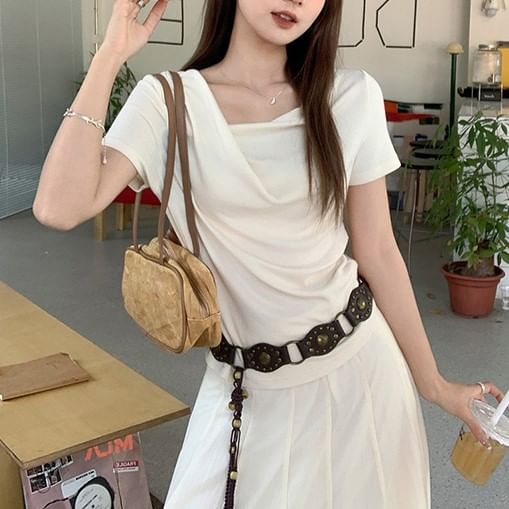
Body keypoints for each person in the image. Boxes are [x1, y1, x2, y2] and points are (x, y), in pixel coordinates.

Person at [33, 1, 505, 508]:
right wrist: (110, 54)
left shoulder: (349, 96)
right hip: (242, 389)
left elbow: (378, 250)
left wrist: (435, 385)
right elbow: (58, 207)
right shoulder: (168, 102)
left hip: (361, 377)